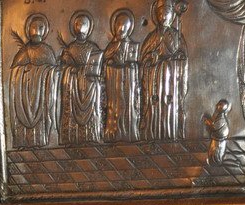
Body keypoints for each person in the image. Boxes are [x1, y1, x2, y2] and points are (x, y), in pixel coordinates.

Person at [139, 0, 188, 141]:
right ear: (156, 15)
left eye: (166, 13)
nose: (163, 17)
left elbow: (183, 58)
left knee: (170, 105)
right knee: (154, 106)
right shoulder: (152, 37)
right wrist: (151, 57)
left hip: (171, 79)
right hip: (154, 80)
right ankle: (152, 136)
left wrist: (179, 58)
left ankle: (171, 135)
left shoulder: (177, 37)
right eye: (160, 13)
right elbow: (143, 59)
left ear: (172, 15)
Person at [9, 14, 59, 148]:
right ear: (29, 29)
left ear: (44, 31)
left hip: (40, 95)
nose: (36, 30)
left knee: (41, 118)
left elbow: (52, 71)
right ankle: (23, 142)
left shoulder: (47, 51)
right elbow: (15, 72)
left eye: (40, 27)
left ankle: (40, 142)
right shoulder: (24, 52)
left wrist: (42, 70)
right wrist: (24, 70)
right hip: (24, 94)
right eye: (33, 27)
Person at [60, 11, 104, 144]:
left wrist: (93, 73)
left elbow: (99, 67)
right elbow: (63, 67)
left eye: (83, 24)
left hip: (90, 86)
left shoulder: (93, 47)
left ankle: (90, 136)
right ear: (74, 27)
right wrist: (70, 69)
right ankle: (72, 138)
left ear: (89, 28)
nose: (80, 27)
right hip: (74, 86)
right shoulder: (70, 48)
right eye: (78, 24)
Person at [102, 9, 141, 142]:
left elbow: (135, 65)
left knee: (128, 108)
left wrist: (131, 67)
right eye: (119, 25)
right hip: (114, 85)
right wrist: (110, 64)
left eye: (124, 26)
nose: (121, 29)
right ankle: (113, 134)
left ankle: (129, 134)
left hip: (127, 83)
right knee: (113, 109)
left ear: (128, 29)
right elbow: (104, 62)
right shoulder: (111, 46)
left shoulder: (131, 46)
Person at [203, 99, 231, 164]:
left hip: (219, 140)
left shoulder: (221, 118)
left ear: (221, 107)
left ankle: (216, 162)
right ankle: (214, 162)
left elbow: (214, 127)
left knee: (215, 153)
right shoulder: (219, 116)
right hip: (217, 138)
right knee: (214, 153)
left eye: (218, 105)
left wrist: (207, 122)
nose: (216, 105)